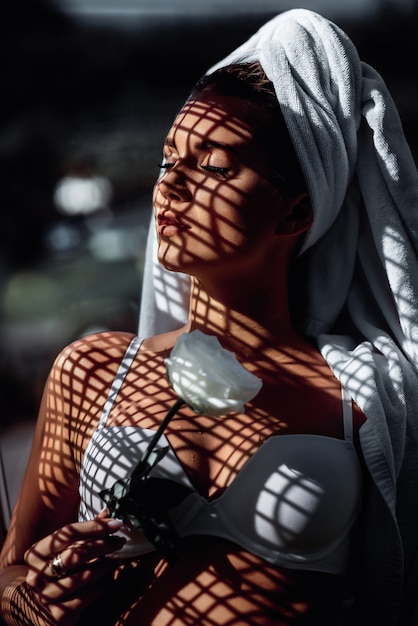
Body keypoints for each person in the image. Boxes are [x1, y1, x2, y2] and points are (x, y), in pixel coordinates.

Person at [0, 8, 417, 626]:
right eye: (170, 160)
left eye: (215, 166)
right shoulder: (92, 371)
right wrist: (37, 598)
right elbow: (11, 574)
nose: (172, 186)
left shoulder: (360, 398)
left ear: (295, 212)